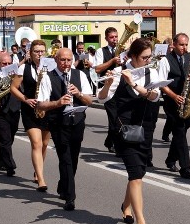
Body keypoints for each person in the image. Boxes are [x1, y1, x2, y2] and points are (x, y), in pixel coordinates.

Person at [98, 37, 162, 224]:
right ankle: (141, 222)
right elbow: (101, 97)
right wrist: (108, 83)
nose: (147, 60)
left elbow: (154, 96)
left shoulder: (151, 72)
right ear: (132, 57)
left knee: (139, 173)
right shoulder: (119, 72)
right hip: (125, 131)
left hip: (145, 129)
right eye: (144, 57)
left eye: (149, 56)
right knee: (135, 175)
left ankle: (126, 206)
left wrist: (134, 84)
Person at [36, 48, 93, 210]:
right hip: (58, 123)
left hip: (77, 122)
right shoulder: (48, 78)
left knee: (73, 159)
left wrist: (79, 94)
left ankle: (63, 185)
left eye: (69, 60)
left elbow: (89, 100)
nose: (66, 64)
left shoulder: (80, 75)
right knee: (65, 158)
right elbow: (41, 104)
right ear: (55, 59)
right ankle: (70, 197)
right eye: (62, 60)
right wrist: (57, 103)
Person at [157, 32, 190, 179]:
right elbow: (162, 83)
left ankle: (171, 159)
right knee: (180, 131)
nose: (184, 47)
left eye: (186, 45)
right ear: (174, 45)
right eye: (181, 45)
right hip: (172, 101)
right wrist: (174, 96)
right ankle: (185, 168)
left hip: (187, 100)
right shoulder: (165, 61)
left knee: (183, 128)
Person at [9, 39, 52, 192]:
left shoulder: (50, 67)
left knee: (45, 144)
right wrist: (25, 100)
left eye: (42, 51)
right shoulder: (24, 68)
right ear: (30, 53)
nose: (39, 54)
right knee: (36, 143)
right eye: (36, 51)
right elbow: (13, 88)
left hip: (47, 109)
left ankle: (37, 170)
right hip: (30, 109)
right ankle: (41, 179)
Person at [94, 27, 123, 152]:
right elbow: (97, 69)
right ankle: (116, 145)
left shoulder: (122, 51)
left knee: (119, 118)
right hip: (107, 88)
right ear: (106, 38)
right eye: (112, 37)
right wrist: (112, 61)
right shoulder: (101, 51)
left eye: (116, 37)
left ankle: (109, 141)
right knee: (113, 117)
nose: (114, 39)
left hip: (120, 87)